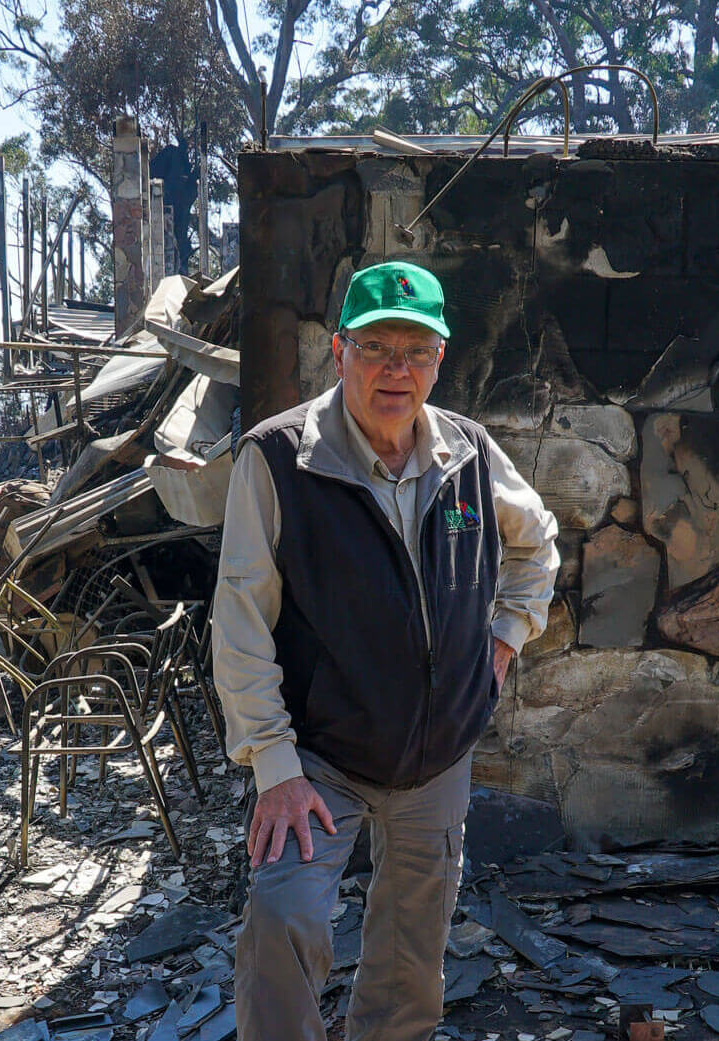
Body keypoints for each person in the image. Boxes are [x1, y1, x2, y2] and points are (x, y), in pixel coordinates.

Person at [212, 260, 559, 1041]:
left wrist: (504, 642)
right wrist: (275, 767)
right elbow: (237, 625)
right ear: (339, 352)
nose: (395, 370)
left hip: (436, 759)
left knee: (410, 959)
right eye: (375, 348)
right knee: (281, 920)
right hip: (319, 759)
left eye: (415, 351)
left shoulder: (468, 453)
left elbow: (538, 544)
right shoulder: (277, 460)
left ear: (440, 359)